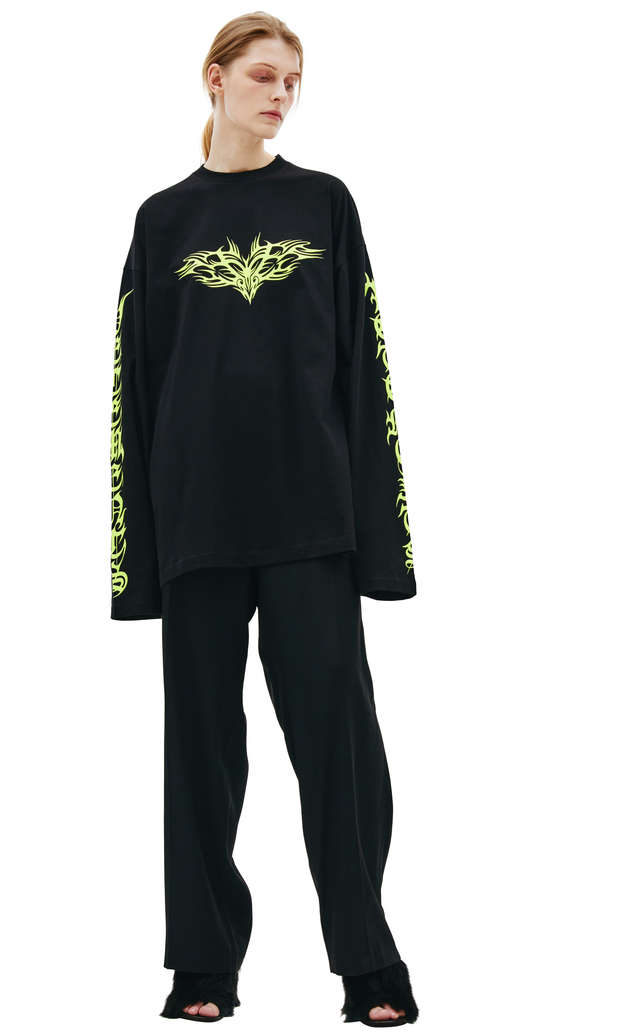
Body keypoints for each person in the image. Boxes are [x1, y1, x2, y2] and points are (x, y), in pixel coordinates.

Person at [110, 11, 421, 1026]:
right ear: (214, 79)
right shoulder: (162, 222)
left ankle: (366, 960)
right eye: (261, 75)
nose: (280, 94)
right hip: (197, 519)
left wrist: (381, 542)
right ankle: (203, 966)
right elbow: (133, 391)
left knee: (339, 748)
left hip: (309, 518)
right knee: (199, 752)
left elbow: (364, 371)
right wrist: (136, 561)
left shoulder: (324, 204)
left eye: (291, 79)